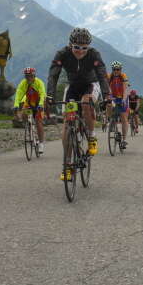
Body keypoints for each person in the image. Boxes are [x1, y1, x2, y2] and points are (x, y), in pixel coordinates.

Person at [47, 27, 110, 180]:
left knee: (86, 102)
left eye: (84, 48)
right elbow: (53, 75)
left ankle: (91, 136)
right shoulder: (62, 54)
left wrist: (107, 95)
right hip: (73, 87)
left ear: (89, 47)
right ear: (70, 45)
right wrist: (50, 95)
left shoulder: (94, 55)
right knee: (67, 123)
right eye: (76, 47)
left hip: (91, 85)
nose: (80, 51)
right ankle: (67, 165)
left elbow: (102, 76)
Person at [14, 67, 46, 154]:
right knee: (24, 114)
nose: (29, 78)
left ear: (34, 75)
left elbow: (43, 94)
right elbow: (18, 94)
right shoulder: (23, 83)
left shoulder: (39, 83)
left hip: (39, 103)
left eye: (31, 76)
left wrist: (40, 104)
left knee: (39, 121)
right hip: (28, 103)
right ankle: (29, 127)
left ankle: (41, 143)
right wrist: (16, 105)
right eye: (27, 76)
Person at [106, 61, 129, 149]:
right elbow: (107, 88)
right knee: (108, 104)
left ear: (120, 69)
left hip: (123, 97)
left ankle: (124, 139)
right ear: (112, 69)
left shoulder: (123, 76)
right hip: (113, 97)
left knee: (124, 118)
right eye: (114, 69)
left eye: (118, 69)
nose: (116, 71)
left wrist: (123, 99)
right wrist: (108, 97)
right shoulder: (109, 76)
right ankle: (111, 120)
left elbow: (125, 88)